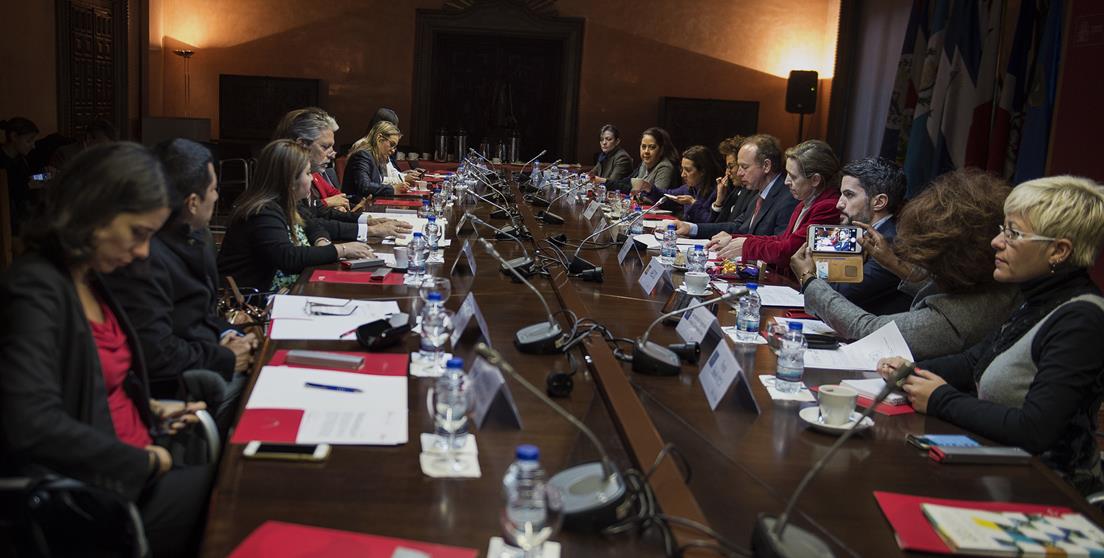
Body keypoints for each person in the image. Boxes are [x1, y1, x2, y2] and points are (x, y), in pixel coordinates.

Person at [0, 142, 214, 557]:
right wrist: (144, 462)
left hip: (131, 466)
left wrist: (147, 406)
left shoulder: (88, 276)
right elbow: (31, 424)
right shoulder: (34, 288)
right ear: (94, 215)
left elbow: (89, 380)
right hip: (97, 495)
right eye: (138, 233)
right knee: (242, 490)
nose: (143, 251)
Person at [877, 175, 1104, 495]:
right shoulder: (1037, 299)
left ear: (1059, 250)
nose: (997, 242)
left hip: (1049, 490)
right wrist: (910, 371)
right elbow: (974, 361)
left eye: (1013, 234)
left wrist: (940, 398)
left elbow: (1034, 429)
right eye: (1002, 229)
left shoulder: (1081, 319)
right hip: (1000, 470)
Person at [103, 139, 256, 425]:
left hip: (203, 361)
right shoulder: (143, 255)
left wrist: (229, 335)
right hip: (181, 386)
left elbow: (200, 315)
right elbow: (155, 351)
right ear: (193, 202)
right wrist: (223, 357)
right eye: (214, 189)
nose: (217, 197)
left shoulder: (195, 236)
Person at [794, 169, 1021, 359]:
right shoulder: (992, 280)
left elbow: (870, 331)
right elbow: (936, 282)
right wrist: (892, 262)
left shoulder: (959, 316)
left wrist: (809, 279)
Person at [218, 139, 374, 291]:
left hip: (290, 288)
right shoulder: (262, 211)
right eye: (307, 173)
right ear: (290, 180)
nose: (312, 178)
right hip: (257, 299)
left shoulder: (289, 202)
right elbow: (288, 257)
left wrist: (322, 242)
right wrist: (342, 250)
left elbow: (314, 226)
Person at [792, 157, 912, 314]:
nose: (838, 204)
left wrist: (807, 274)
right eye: (841, 194)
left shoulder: (890, 243)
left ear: (879, 202)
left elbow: (838, 297)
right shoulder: (857, 233)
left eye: (849, 195)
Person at [273, 108, 412, 239]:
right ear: (302, 145)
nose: (333, 153)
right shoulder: (284, 189)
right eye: (325, 146)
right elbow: (309, 226)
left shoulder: (308, 176)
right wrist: (368, 231)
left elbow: (317, 215)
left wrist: (366, 221)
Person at [709, 139, 842, 273]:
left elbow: (788, 252)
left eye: (793, 176)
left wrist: (746, 245)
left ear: (815, 180)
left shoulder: (828, 207)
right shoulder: (805, 202)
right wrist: (735, 240)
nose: (786, 181)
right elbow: (782, 240)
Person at [674, 134, 797, 240]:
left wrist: (743, 245)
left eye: (744, 167)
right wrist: (691, 228)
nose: (739, 173)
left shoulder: (787, 199)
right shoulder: (759, 194)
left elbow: (778, 247)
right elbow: (737, 227)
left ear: (766, 166)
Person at [647, 145, 721, 223]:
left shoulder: (716, 192)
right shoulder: (688, 188)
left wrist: (692, 203)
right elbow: (668, 196)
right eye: (682, 169)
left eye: (688, 170)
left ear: (702, 171)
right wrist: (648, 188)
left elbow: (709, 223)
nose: (682, 175)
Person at [605, 127, 679, 197]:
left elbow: (656, 197)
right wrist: (604, 181)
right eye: (643, 146)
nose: (646, 151)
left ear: (661, 150)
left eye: (652, 147)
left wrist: (633, 192)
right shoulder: (644, 164)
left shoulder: (665, 167)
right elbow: (626, 182)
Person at [343, 121, 409, 198]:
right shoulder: (362, 155)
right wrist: (393, 189)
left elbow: (378, 182)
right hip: (356, 203)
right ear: (379, 138)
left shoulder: (376, 157)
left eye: (395, 147)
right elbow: (364, 186)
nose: (393, 150)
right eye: (391, 144)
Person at [1, 117, 40, 232]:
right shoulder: (2, 161)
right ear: (14, 136)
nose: (33, 146)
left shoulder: (22, 159)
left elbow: (29, 178)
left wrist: (45, 175)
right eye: (29, 141)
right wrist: (28, 186)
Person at [710, 135, 755, 223]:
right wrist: (719, 201)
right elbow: (715, 224)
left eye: (731, 167)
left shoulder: (753, 193)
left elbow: (735, 227)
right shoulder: (735, 191)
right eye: (727, 167)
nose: (727, 173)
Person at [48, 118, 117, 171]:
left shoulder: (109, 158)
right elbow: (52, 179)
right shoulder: (64, 154)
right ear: (89, 138)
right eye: (103, 145)